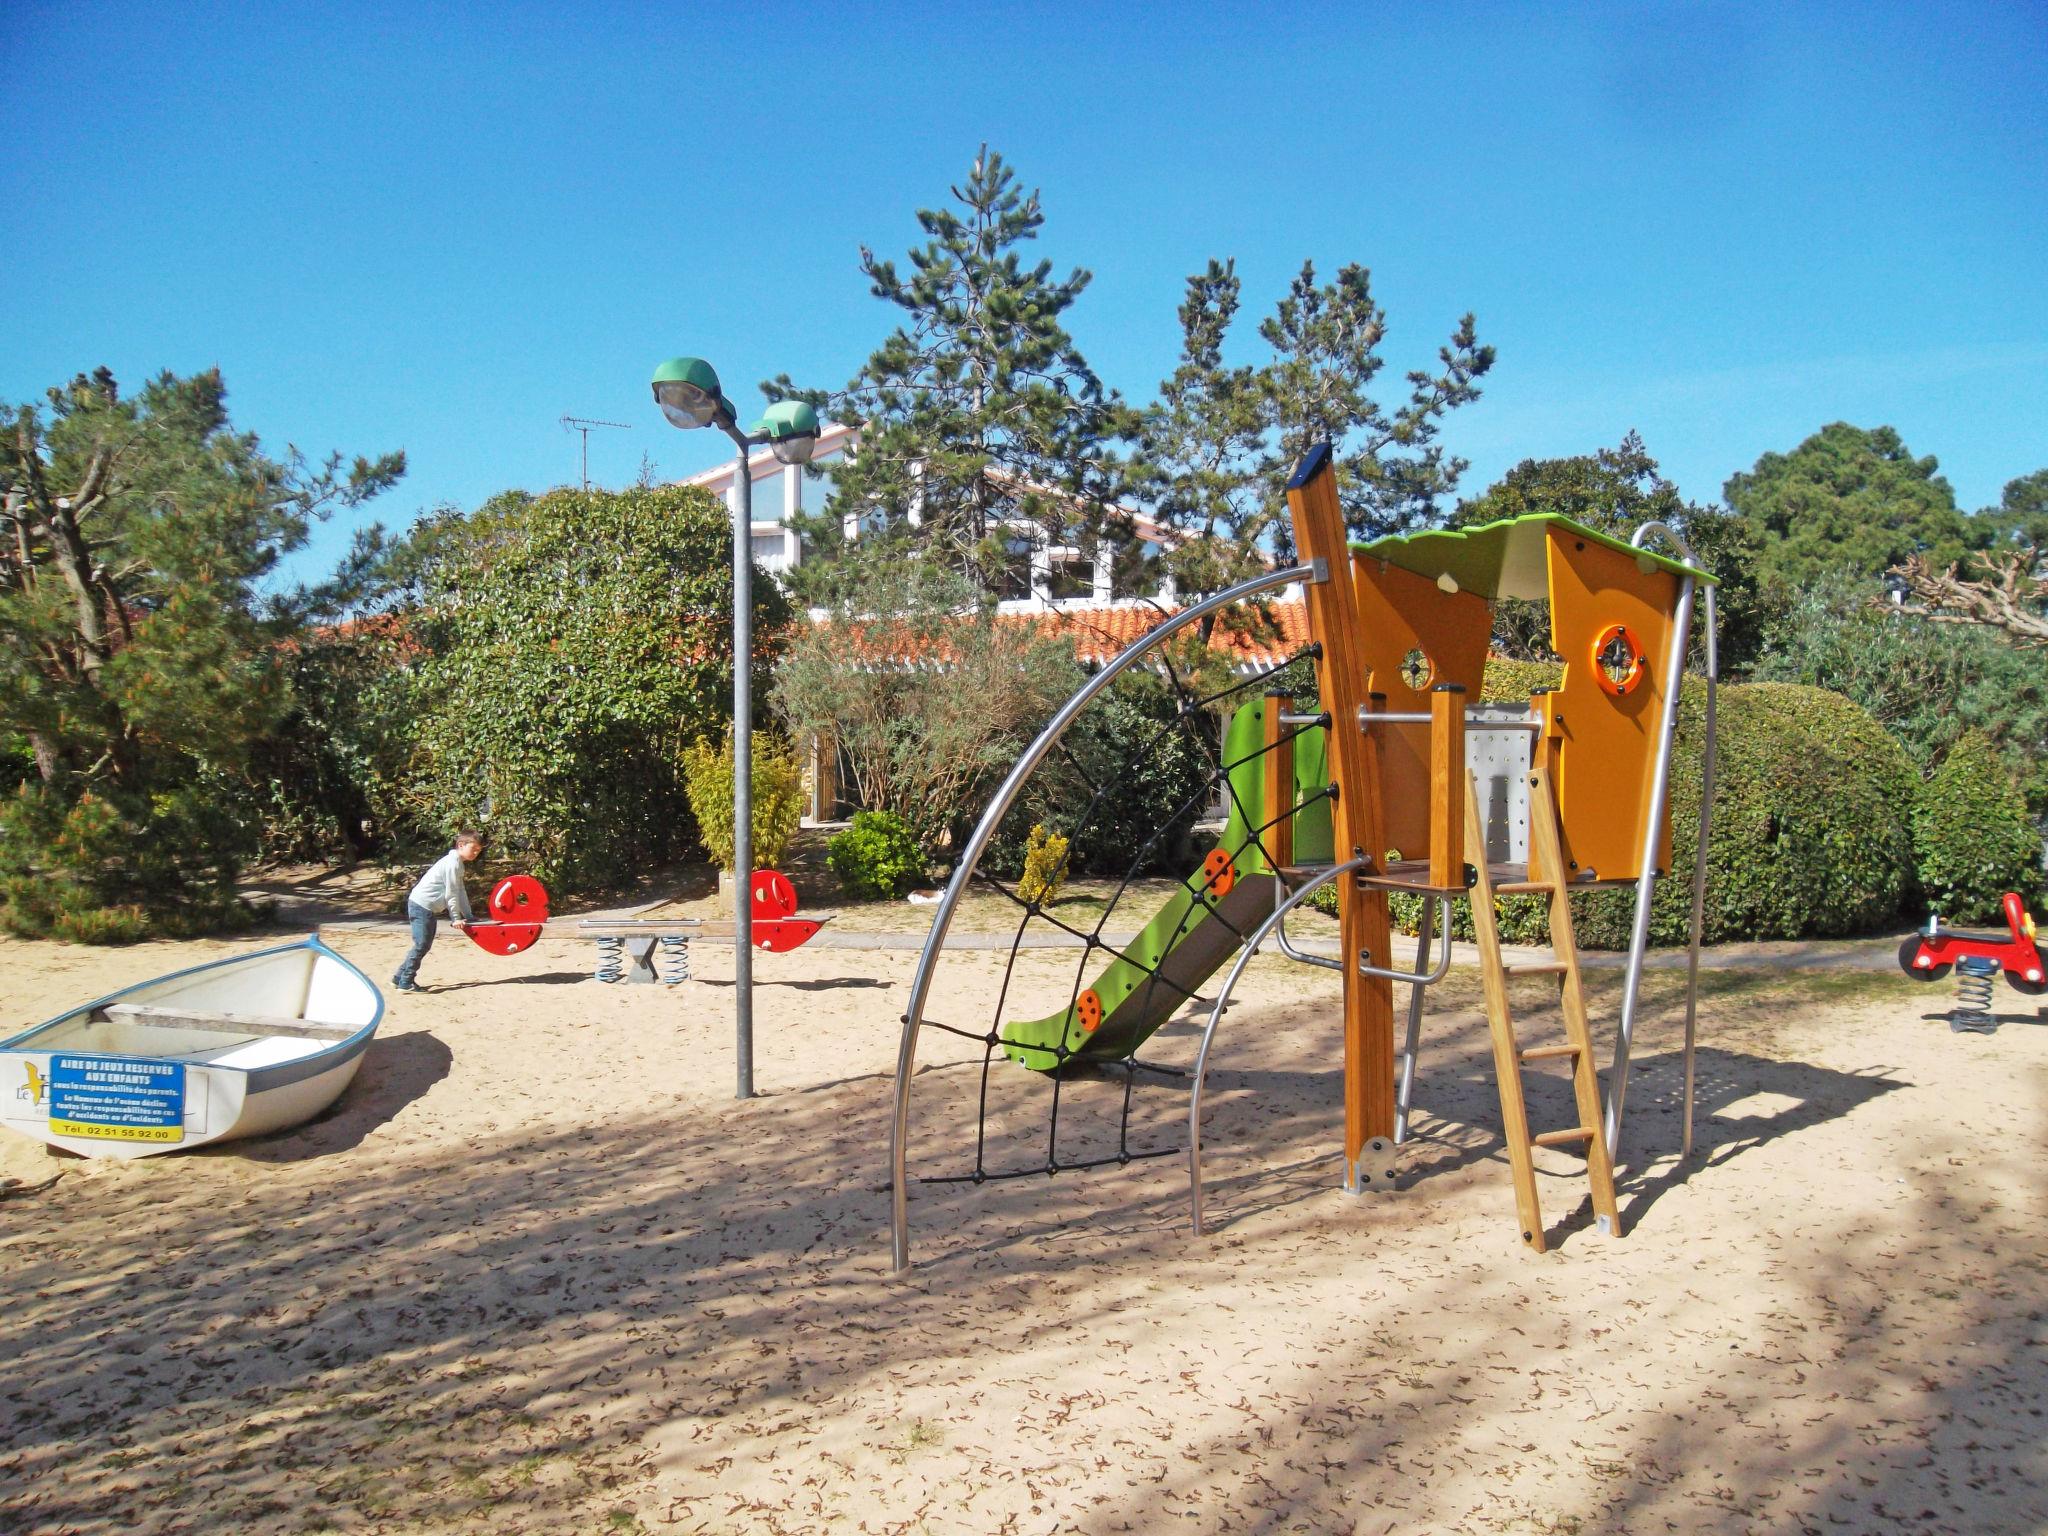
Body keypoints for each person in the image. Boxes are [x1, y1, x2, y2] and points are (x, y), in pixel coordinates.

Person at [392, 830, 485, 993]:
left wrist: (469, 916)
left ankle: (398, 978)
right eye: (474, 848)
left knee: (422, 945)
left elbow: (460, 890)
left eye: (479, 850)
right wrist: (456, 918)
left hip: (424, 907)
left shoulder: (457, 863)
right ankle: (406, 983)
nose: (476, 853)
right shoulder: (452, 863)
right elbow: (451, 893)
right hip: (421, 906)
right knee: (421, 945)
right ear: (461, 845)